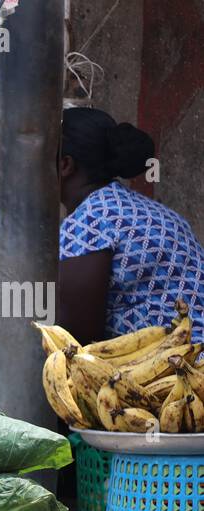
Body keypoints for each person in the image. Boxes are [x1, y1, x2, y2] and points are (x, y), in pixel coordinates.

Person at [57, 107, 204, 343]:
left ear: (65, 165)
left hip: (183, 370)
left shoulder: (90, 222)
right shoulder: (150, 210)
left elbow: (75, 337)